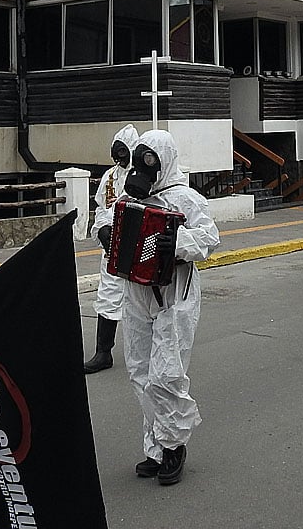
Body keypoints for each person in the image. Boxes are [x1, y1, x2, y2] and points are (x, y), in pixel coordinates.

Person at [94, 129, 220, 486]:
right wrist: (104, 233)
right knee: (139, 372)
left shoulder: (186, 199)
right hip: (136, 294)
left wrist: (178, 241)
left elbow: (209, 238)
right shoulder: (130, 195)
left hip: (173, 297)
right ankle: (156, 447)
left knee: (166, 374)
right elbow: (105, 218)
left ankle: (174, 445)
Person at [84, 124, 140, 373]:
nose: (119, 158)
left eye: (123, 152)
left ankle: (145, 353)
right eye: (116, 152)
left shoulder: (142, 176)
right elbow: (102, 209)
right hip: (112, 248)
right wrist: (103, 230)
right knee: (107, 296)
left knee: (141, 301)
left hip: (138, 246)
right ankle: (103, 353)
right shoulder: (109, 177)